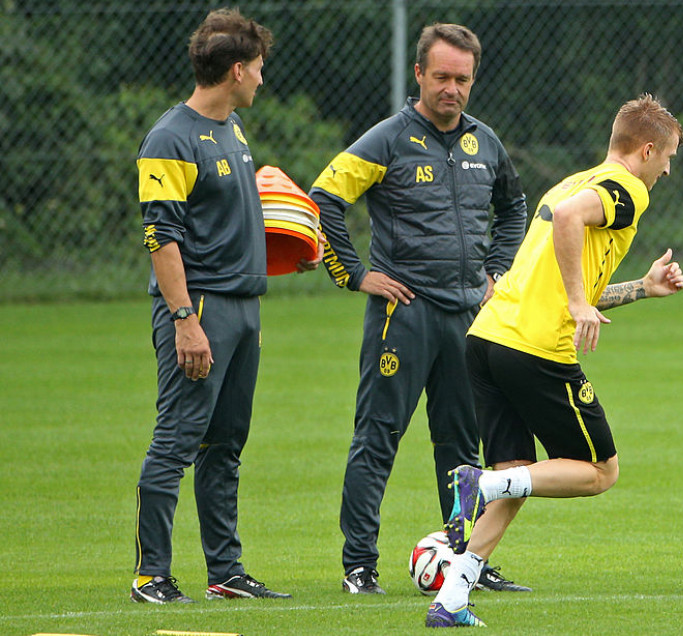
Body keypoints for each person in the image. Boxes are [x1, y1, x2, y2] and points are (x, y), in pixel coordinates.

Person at [424, 94, 683, 628]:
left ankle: (452, 598)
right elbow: (569, 231)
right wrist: (575, 302)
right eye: (669, 156)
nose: (668, 168)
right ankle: (479, 485)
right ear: (648, 148)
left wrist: (642, 288)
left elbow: (575, 274)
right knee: (599, 471)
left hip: (487, 339)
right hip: (534, 347)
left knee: (521, 476)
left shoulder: (572, 180)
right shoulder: (627, 189)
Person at [307, 23, 529, 595]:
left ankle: (467, 560)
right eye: (441, 77)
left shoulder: (486, 143)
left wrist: (496, 271)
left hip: (467, 317)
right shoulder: (386, 139)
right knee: (377, 438)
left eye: (462, 78)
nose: (451, 88)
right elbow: (323, 198)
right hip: (402, 315)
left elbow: (514, 207)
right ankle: (359, 565)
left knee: (461, 449)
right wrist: (356, 275)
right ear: (419, 75)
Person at [132, 7, 315, 603]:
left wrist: (289, 250)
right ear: (237, 70)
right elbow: (162, 237)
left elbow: (231, 219)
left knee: (226, 444)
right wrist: (185, 320)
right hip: (200, 310)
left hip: (244, 308)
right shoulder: (169, 137)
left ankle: (225, 572)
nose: (264, 79)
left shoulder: (232, 128)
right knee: (177, 440)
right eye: (259, 69)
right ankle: (151, 575)